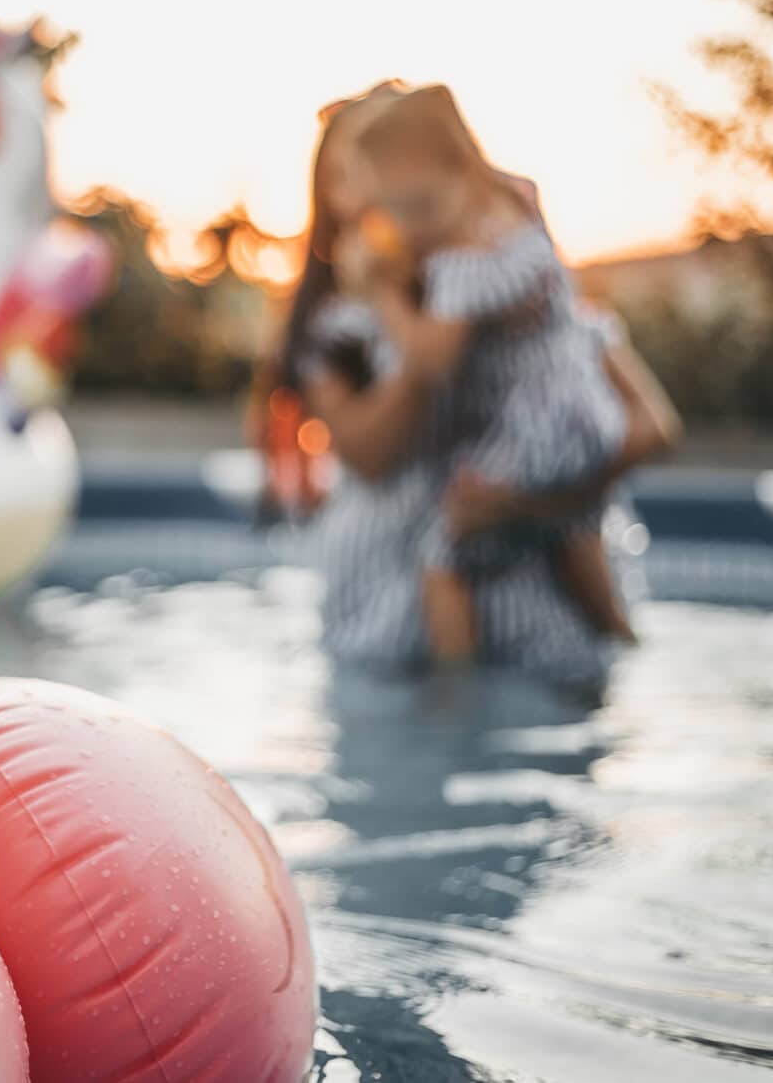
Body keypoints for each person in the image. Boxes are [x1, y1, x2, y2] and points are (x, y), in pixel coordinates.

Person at [278, 84, 682, 695]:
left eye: (383, 180)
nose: (369, 200)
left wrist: (527, 506)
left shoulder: (501, 290)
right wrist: (392, 296)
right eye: (347, 180)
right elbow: (371, 453)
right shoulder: (338, 329)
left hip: (534, 622)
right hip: (384, 629)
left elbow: (650, 427)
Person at [338, 84, 634, 664]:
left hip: (537, 427)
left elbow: (432, 360)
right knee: (574, 525)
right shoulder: (522, 220)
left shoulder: (464, 266)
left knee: (440, 555)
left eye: (414, 207)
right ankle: (622, 637)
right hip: (586, 411)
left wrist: (384, 295)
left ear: (451, 175)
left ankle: (456, 692)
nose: (408, 228)